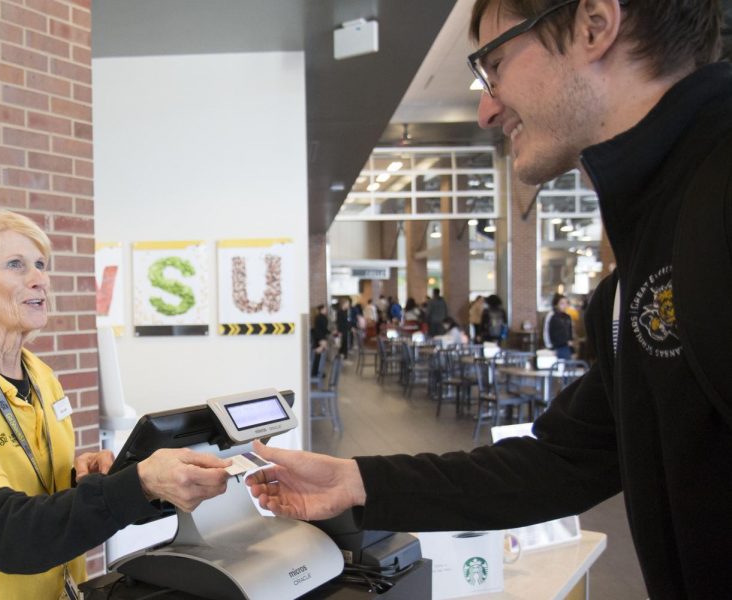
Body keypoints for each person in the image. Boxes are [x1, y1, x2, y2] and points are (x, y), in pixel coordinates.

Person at [248, 2, 732, 597]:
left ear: (594, 24)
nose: (486, 108)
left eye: (494, 65)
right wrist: (356, 481)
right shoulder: (637, 263)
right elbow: (559, 462)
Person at [0, 211, 231, 599]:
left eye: (41, 265)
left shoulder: (41, 376)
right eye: (16, 264)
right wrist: (138, 482)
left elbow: (37, 490)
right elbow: (4, 534)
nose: (39, 278)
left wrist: (84, 481)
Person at [542, 293, 574, 359]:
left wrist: (571, 347)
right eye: (562, 303)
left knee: (568, 366)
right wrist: (550, 347)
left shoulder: (567, 317)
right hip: (555, 347)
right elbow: (546, 331)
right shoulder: (551, 315)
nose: (565, 305)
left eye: (566, 303)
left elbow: (570, 332)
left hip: (566, 347)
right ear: (556, 305)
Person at [310, 303, 331, 376]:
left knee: (318, 357)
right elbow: (323, 329)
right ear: (321, 310)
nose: (326, 310)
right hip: (320, 339)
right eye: (325, 309)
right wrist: (323, 340)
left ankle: (317, 371)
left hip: (318, 338)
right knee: (319, 357)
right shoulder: (321, 317)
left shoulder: (317, 317)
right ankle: (316, 372)